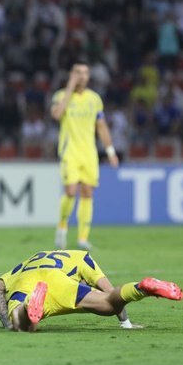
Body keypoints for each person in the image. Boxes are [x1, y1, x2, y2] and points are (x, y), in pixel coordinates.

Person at [0, 250, 183, 332]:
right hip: (61, 280)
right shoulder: (82, 257)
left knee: (20, 324)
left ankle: (27, 308)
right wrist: (126, 324)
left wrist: (7, 324)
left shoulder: (33, 258)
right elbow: (110, 291)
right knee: (108, 304)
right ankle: (142, 288)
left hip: (27, 281)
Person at [51, 62, 119, 251]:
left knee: (88, 192)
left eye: (86, 72)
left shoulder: (94, 99)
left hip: (89, 152)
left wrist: (110, 151)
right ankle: (62, 227)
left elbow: (101, 126)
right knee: (71, 191)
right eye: (78, 72)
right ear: (71, 74)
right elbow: (56, 114)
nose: (82, 76)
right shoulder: (60, 95)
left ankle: (82, 238)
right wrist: (70, 87)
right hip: (69, 151)